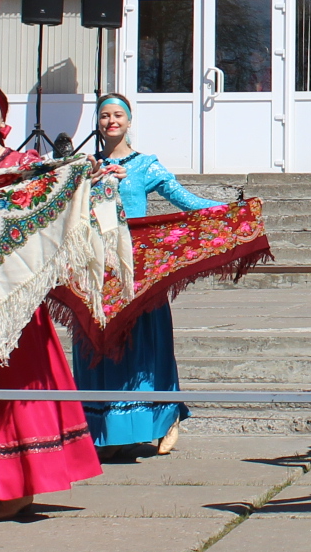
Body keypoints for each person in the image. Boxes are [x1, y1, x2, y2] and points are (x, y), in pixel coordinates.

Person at [0, 83, 101, 521]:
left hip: (14, 299)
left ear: (4, 121)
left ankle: (21, 485)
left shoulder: (25, 164)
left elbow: (54, 204)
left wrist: (85, 176)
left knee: (14, 389)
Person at [77, 94, 222, 460]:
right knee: (99, 348)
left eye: (118, 116)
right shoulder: (85, 166)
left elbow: (183, 199)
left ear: (129, 122)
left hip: (138, 273)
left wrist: (226, 208)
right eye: (105, 116)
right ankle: (103, 426)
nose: (111, 121)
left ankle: (165, 417)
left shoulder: (145, 166)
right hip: (98, 271)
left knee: (145, 348)